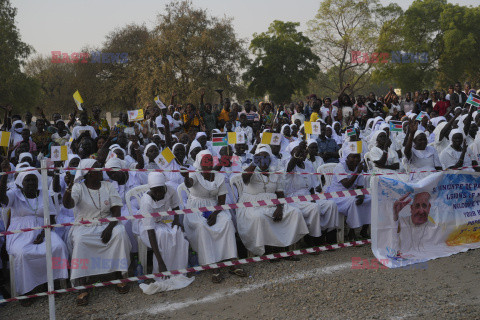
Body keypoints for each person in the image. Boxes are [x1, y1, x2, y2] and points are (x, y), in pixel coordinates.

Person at [63, 159, 131, 306]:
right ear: (87, 173)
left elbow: (117, 209)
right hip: (85, 224)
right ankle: (82, 283)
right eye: (96, 169)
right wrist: (68, 189)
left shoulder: (108, 186)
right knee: (80, 239)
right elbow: (68, 205)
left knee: (119, 233)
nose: (100, 171)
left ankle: (119, 274)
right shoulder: (78, 187)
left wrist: (109, 227)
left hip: (107, 222)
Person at [0, 161, 68, 305]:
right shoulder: (14, 194)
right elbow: (2, 199)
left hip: (44, 228)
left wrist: (43, 234)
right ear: (21, 182)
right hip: (19, 232)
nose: (31, 183)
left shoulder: (44, 194)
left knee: (58, 246)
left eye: (33, 180)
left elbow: (51, 216)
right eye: (27, 180)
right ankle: (26, 290)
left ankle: (52, 281)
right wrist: (5, 174)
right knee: (23, 253)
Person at [181, 150, 242, 283]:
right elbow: (189, 183)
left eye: (210, 160)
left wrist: (214, 214)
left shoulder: (218, 176)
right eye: (205, 161)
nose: (208, 163)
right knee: (203, 226)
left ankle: (233, 260)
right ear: (199, 163)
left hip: (215, 206)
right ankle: (213, 265)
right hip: (195, 207)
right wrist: (185, 177)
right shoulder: (195, 174)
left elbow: (221, 201)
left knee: (227, 221)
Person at [237, 145, 309, 256]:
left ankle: (285, 248)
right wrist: (254, 163)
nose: (263, 160)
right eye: (260, 157)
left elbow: (280, 193)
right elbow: (245, 179)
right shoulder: (250, 169)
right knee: (260, 217)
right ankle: (268, 250)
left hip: (273, 204)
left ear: (270, 159)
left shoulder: (275, 172)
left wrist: (279, 208)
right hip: (252, 205)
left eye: (266, 157)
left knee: (295, 213)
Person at [138, 172, 192, 290]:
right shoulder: (146, 201)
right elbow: (150, 231)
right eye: (155, 191)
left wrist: (177, 221)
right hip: (148, 227)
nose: (158, 194)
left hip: (163, 221)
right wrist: (160, 262)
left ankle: (178, 269)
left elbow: (176, 207)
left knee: (177, 232)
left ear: (164, 187)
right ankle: (162, 270)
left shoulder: (171, 190)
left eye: (160, 190)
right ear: (150, 190)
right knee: (163, 236)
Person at [285, 141, 339, 245]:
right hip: (294, 199)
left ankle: (329, 235)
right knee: (314, 208)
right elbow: (289, 168)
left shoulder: (308, 165)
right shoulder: (289, 163)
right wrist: (297, 153)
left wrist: (314, 196)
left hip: (309, 196)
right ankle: (313, 239)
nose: (301, 154)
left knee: (331, 205)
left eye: (303, 152)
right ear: (293, 154)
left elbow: (313, 185)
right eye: (298, 151)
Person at [326, 145, 371, 240]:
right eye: (353, 157)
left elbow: (360, 186)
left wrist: (361, 195)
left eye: (358, 156)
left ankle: (364, 229)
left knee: (370, 199)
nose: (356, 159)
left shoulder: (358, 168)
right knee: (353, 201)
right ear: (347, 157)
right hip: (337, 195)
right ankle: (352, 231)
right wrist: (357, 173)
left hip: (351, 194)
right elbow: (347, 184)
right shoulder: (340, 167)